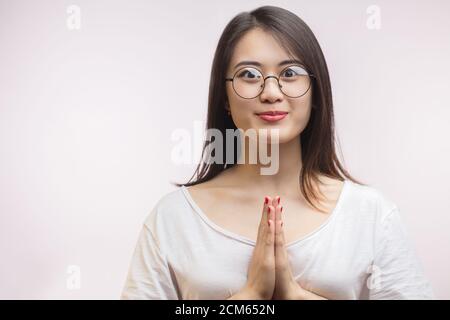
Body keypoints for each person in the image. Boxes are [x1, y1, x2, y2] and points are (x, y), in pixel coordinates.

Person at [120, 5, 435, 300]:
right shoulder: (173, 220)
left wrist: (297, 295)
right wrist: (252, 295)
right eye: (249, 75)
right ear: (225, 98)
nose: (271, 93)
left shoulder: (371, 215)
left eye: (289, 74)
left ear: (315, 93)